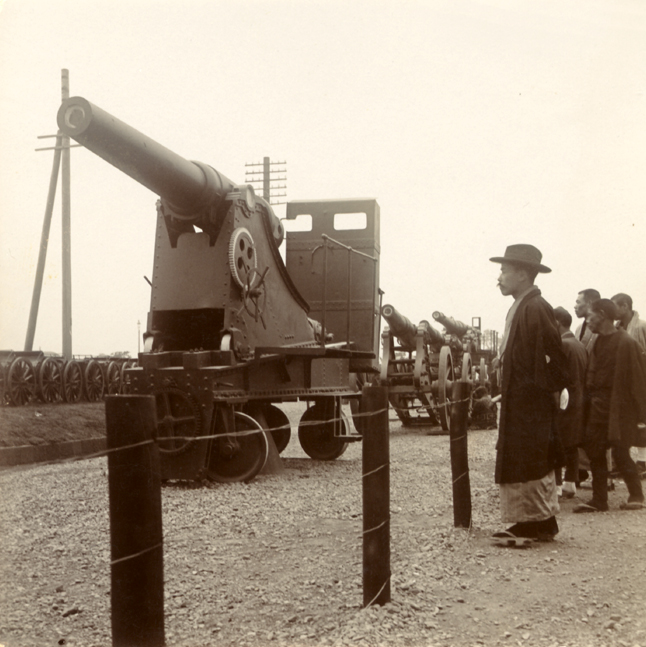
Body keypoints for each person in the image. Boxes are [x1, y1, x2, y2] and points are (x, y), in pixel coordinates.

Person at [489, 244, 568, 544]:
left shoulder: (535, 307)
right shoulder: (522, 306)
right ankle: (540, 522)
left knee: (529, 459)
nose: (499, 277)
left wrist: (545, 393)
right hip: (521, 400)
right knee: (528, 459)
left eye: (504, 271)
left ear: (523, 274)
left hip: (530, 402)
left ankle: (532, 523)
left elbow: (553, 355)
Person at [574, 299, 646, 513]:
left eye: (590, 316)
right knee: (595, 450)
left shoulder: (626, 342)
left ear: (602, 315)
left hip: (619, 409)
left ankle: (636, 496)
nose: (587, 321)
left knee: (621, 452)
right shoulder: (598, 340)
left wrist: (641, 416)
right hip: (597, 407)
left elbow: (638, 381)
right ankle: (599, 500)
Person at [553, 306, 587, 499]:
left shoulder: (562, 345)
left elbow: (556, 376)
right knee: (571, 444)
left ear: (557, 323)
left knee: (556, 442)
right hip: (578, 399)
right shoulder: (579, 345)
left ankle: (557, 485)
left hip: (563, 401)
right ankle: (570, 482)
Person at [611, 293, 646, 477]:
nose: (613, 310)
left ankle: (643, 461)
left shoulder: (641, 326)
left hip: (641, 377)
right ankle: (624, 461)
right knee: (627, 420)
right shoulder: (617, 328)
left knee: (642, 419)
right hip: (624, 382)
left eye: (615, 306)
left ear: (625, 306)